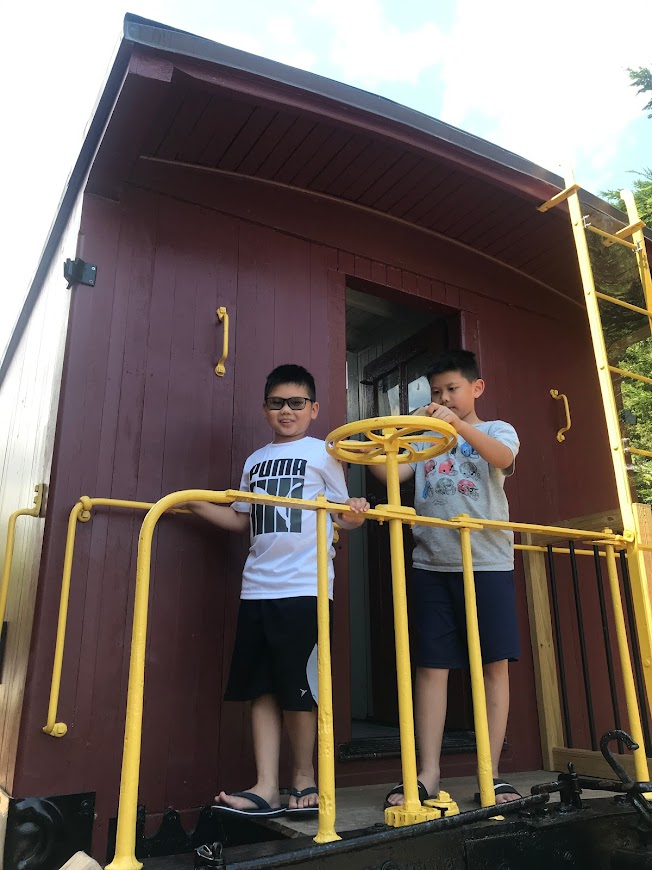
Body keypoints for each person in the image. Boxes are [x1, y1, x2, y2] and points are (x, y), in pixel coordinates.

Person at [183, 364, 369, 817]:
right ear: (265, 409)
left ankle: (303, 778)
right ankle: (265, 785)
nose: (287, 411)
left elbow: (343, 515)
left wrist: (355, 512)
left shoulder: (323, 453)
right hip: (257, 587)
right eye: (277, 403)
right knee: (261, 688)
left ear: (313, 409)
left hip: (305, 586)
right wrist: (193, 503)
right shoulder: (254, 460)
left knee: (298, 687)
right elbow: (240, 519)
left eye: (296, 403)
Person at [372, 349, 521, 807]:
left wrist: (455, 425)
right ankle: (427, 773)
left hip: (487, 563)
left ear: (477, 387)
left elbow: (502, 457)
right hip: (432, 564)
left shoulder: (496, 429)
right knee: (431, 667)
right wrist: (403, 433)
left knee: (493, 667)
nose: (444, 398)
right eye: (436, 392)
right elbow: (387, 473)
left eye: (452, 389)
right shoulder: (426, 441)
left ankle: (491, 774)